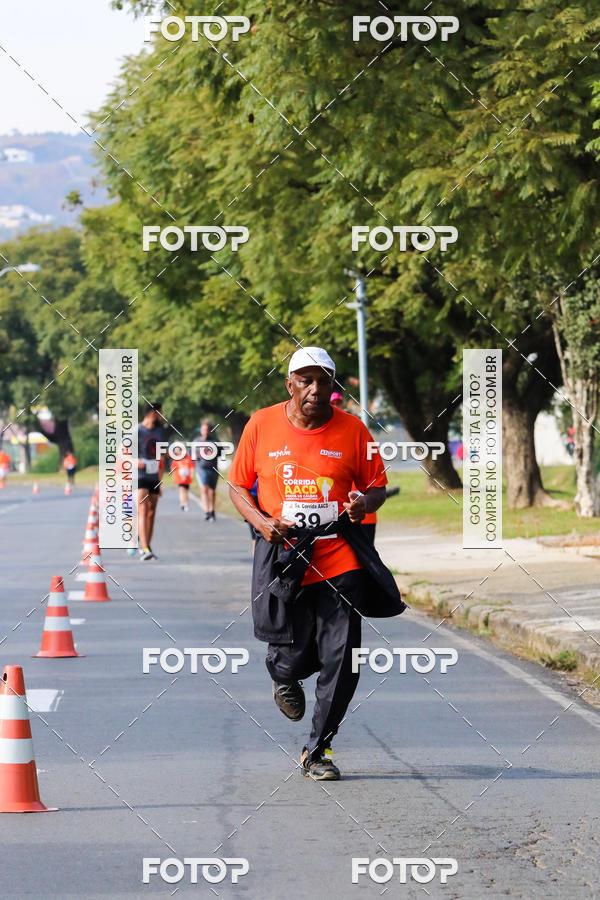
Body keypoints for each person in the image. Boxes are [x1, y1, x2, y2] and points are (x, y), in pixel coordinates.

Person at [228, 346, 405, 781]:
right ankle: (283, 676)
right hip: (285, 556)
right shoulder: (261, 424)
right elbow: (236, 486)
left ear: (332, 386)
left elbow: (378, 486)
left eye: (322, 381)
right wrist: (262, 522)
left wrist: (365, 500)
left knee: (343, 658)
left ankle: (317, 749)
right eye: (304, 380)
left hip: (339, 556)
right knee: (292, 654)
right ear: (289, 385)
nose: (313, 389)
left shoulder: (353, 431)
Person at [137, 402, 168, 560]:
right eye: (160, 413)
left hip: (154, 476)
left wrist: (160, 481)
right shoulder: (137, 430)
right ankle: (144, 548)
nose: (162, 416)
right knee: (142, 509)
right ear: (151, 413)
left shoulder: (160, 431)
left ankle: (146, 545)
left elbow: (161, 457)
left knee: (151, 512)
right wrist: (134, 461)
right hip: (140, 476)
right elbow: (121, 453)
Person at [195, 421, 220, 521]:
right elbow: (192, 454)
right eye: (203, 430)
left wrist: (213, 453)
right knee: (204, 489)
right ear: (201, 431)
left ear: (210, 431)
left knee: (212, 491)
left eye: (207, 430)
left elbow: (221, 453)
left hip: (213, 469)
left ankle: (212, 510)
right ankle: (206, 511)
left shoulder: (215, 441)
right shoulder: (196, 441)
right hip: (201, 469)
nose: (205, 432)